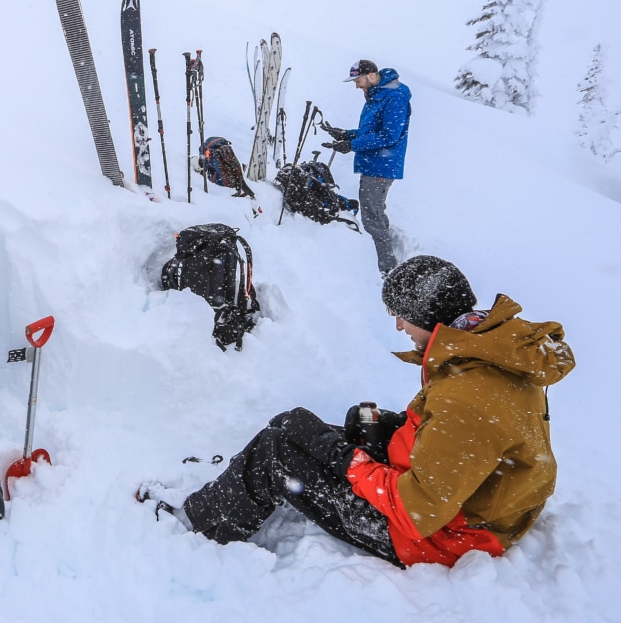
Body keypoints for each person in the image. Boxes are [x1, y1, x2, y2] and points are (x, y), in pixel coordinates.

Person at [139, 255, 575, 568]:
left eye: (402, 316)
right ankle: (241, 478)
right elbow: (464, 447)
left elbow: (416, 511)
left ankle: (199, 522)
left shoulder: (466, 398)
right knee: (330, 426)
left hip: (440, 536)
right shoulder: (493, 353)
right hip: (481, 505)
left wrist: (348, 461)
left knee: (281, 446)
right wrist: (397, 429)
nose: (398, 327)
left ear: (429, 316)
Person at [321, 59, 412, 277]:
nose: (357, 85)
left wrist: (352, 145)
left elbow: (389, 136)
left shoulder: (394, 98)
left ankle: (388, 269)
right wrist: (347, 134)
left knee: (372, 216)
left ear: (371, 75)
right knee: (374, 212)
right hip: (375, 162)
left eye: (358, 80)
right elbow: (373, 129)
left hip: (382, 164)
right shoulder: (377, 95)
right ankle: (388, 261)